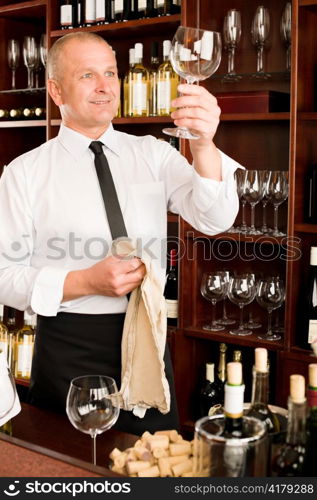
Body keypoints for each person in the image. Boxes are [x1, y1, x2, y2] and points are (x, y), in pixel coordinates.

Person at [0, 32, 242, 435]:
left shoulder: (155, 154)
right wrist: (84, 281)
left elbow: (215, 219)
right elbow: (3, 275)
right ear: (56, 90)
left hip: (148, 339)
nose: (104, 85)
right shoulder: (24, 173)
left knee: (150, 468)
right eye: (88, 75)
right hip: (67, 348)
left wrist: (203, 145)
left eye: (111, 72)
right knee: (69, 472)